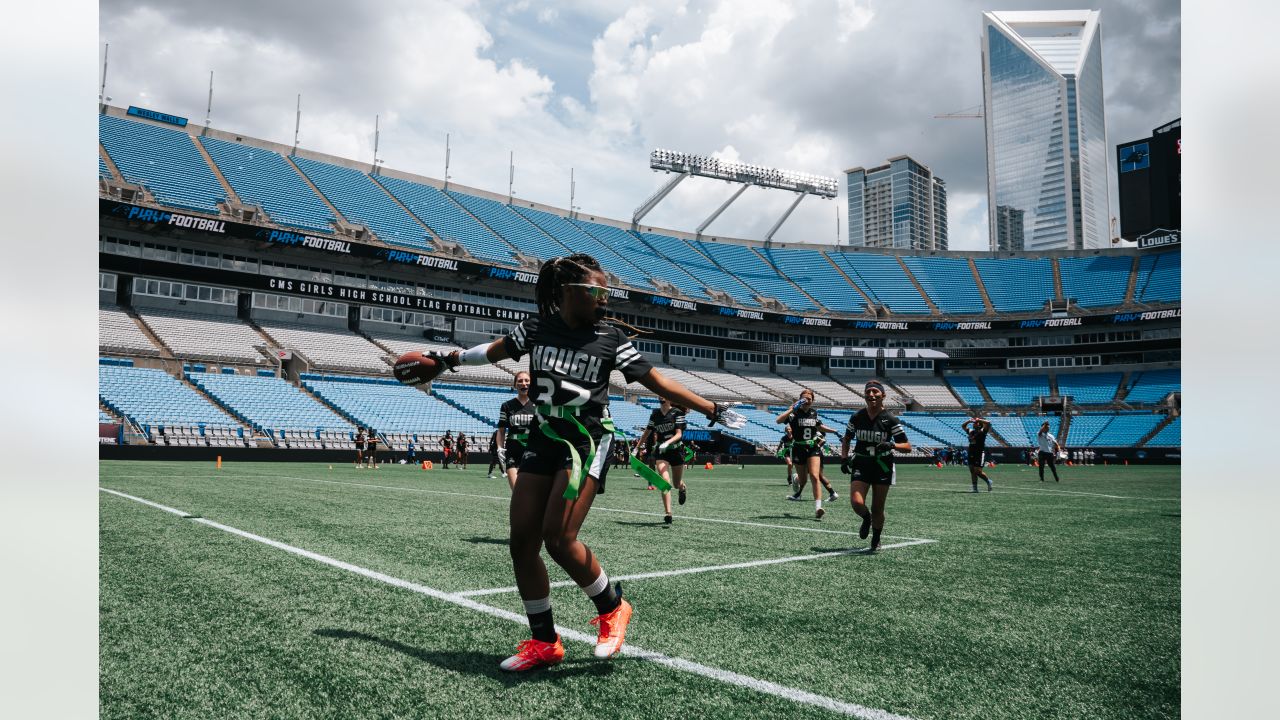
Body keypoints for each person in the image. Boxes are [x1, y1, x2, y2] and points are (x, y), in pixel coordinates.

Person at [399, 254, 745, 672]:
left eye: (607, 291)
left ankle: (612, 607)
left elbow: (657, 381)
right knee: (521, 541)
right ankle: (544, 642)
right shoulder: (536, 328)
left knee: (559, 538)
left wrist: (713, 409)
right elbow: (492, 353)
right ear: (568, 292)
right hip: (544, 437)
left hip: (586, 440)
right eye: (597, 291)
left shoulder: (611, 337)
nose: (605, 298)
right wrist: (448, 360)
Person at [840, 380, 911, 552]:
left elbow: (907, 447)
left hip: (882, 464)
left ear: (883, 395)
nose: (871, 394)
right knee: (857, 502)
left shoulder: (890, 419)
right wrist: (844, 458)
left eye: (875, 392)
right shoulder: (857, 417)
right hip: (862, 463)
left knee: (878, 508)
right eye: (868, 392)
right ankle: (866, 519)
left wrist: (892, 445)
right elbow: (847, 438)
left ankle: (876, 538)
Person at [777, 388, 840, 520]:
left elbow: (819, 427)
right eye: (804, 399)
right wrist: (792, 408)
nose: (806, 401)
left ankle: (818, 507)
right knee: (803, 480)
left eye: (809, 399)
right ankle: (796, 480)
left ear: (813, 401)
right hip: (799, 448)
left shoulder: (813, 413)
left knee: (815, 476)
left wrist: (834, 431)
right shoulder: (794, 413)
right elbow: (778, 420)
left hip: (812, 448)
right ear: (800, 399)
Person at [633, 397, 690, 525]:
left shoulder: (677, 413)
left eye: (664, 395)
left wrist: (668, 442)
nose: (661, 397)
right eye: (659, 395)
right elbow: (647, 432)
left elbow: (679, 434)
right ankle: (668, 513)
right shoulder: (655, 414)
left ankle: (682, 488)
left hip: (676, 451)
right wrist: (636, 448)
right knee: (664, 482)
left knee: (676, 484)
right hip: (661, 452)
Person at [496, 371, 536, 490]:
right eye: (520, 381)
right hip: (513, 450)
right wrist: (499, 447)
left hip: (534, 450)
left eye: (527, 380)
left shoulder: (539, 405)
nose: (524, 383)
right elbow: (501, 429)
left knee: (532, 491)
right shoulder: (507, 406)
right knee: (517, 491)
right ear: (515, 385)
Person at [961, 416, 994, 492]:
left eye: (976, 423)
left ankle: (988, 481)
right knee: (972, 471)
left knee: (978, 471)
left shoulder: (983, 431)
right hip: (971, 452)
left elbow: (988, 423)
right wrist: (968, 421)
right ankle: (975, 488)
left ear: (979, 424)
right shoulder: (971, 431)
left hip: (979, 452)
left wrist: (979, 419)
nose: (974, 424)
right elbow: (963, 426)